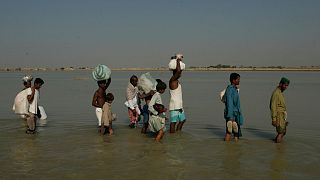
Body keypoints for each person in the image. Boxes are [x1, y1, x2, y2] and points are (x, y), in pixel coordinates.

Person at [169, 54, 186, 133]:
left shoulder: (176, 80)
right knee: (173, 123)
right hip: (174, 106)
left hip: (179, 105)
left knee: (183, 120)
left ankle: (177, 134)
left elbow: (179, 71)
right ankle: (172, 136)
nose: (180, 73)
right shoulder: (172, 80)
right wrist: (178, 60)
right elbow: (178, 71)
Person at [224, 73, 244, 141]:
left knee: (236, 132)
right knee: (229, 132)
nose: (239, 81)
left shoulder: (235, 89)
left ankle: (236, 147)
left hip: (235, 114)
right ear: (233, 80)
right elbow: (230, 104)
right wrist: (230, 117)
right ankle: (226, 147)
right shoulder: (230, 90)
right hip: (231, 115)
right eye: (238, 79)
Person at [270, 77, 290, 143]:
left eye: (287, 85)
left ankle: (276, 144)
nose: (286, 87)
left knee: (283, 132)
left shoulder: (280, 92)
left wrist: (284, 118)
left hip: (282, 115)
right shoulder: (276, 93)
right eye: (285, 85)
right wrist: (274, 119)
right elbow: (273, 106)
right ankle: (278, 148)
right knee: (281, 132)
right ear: (280, 84)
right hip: (278, 115)